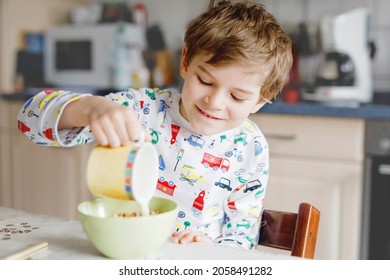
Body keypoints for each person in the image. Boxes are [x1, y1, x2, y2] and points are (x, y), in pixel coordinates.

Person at [17, 0, 292, 250]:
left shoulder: (251, 148)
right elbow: (27, 122)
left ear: (261, 100)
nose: (215, 102)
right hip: (121, 251)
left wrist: (210, 248)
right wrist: (89, 109)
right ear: (185, 62)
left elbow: (242, 239)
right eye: (205, 81)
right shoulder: (142, 110)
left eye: (237, 96)